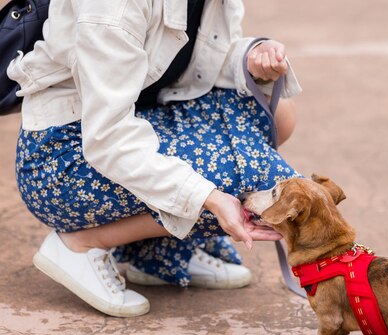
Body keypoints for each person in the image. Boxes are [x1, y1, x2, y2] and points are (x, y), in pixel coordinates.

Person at [7, 0, 302, 317]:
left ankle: (154, 251)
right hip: (63, 161)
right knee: (250, 174)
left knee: (273, 116)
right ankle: (81, 243)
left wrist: (252, 58)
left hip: (139, 121)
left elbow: (199, 62)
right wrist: (209, 197)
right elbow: (108, 138)